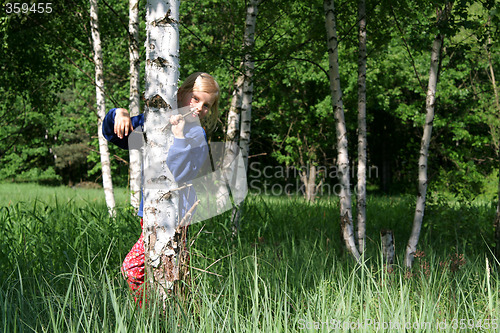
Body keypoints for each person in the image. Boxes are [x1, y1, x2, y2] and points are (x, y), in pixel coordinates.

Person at [102, 72, 220, 297]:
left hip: (175, 216)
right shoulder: (156, 121)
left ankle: (156, 315)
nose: (199, 108)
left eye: (206, 105)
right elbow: (118, 136)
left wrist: (179, 138)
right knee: (164, 272)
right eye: (195, 98)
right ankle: (159, 316)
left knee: (138, 269)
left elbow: (178, 173)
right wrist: (119, 114)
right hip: (150, 211)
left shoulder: (196, 134)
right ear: (181, 93)